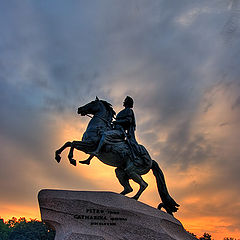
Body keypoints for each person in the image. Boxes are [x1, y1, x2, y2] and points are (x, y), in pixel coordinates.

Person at [91, 96, 139, 164]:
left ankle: (97, 151)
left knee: (105, 135)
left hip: (120, 132)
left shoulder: (129, 111)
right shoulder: (122, 112)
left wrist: (117, 122)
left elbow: (129, 120)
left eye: (125, 101)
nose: (124, 102)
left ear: (128, 102)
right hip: (115, 129)